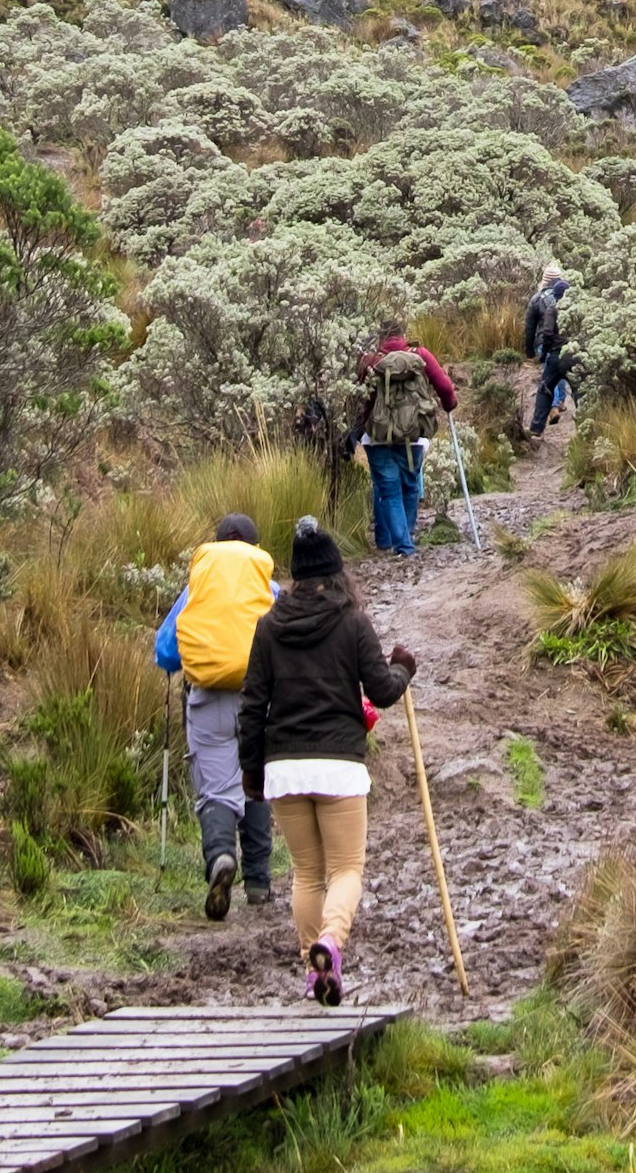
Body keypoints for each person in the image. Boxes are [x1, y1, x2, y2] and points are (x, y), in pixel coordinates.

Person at [235, 515, 414, 1006]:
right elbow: (380, 689)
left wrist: (251, 770)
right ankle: (331, 943)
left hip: (284, 768)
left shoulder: (269, 627)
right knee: (347, 871)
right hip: (338, 765)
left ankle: (315, 975)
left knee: (306, 874)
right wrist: (402, 669)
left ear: (295, 576)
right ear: (337, 572)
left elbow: (253, 705)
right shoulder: (353, 622)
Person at [157, 511, 276, 919]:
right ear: (256, 550)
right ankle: (259, 883)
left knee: (215, 789)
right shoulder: (268, 586)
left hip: (208, 698)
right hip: (258, 701)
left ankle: (222, 857)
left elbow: (166, 652)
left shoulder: (198, 587)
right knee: (257, 782)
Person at [355, 325, 458, 556]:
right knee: (410, 486)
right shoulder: (420, 355)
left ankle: (394, 543)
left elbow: (356, 394)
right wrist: (450, 404)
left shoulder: (371, 361)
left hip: (378, 437)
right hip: (413, 436)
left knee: (387, 489)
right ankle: (406, 538)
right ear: (402, 335)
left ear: (381, 337)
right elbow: (444, 387)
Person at [522, 264, 574, 438]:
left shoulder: (538, 299)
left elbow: (531, 328)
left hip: (550, 349)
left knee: (545, 385)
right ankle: (585, 427)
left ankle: (536, 429)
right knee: (578, 388)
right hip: (572, 352)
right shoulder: (574, 302)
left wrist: (532, 352)